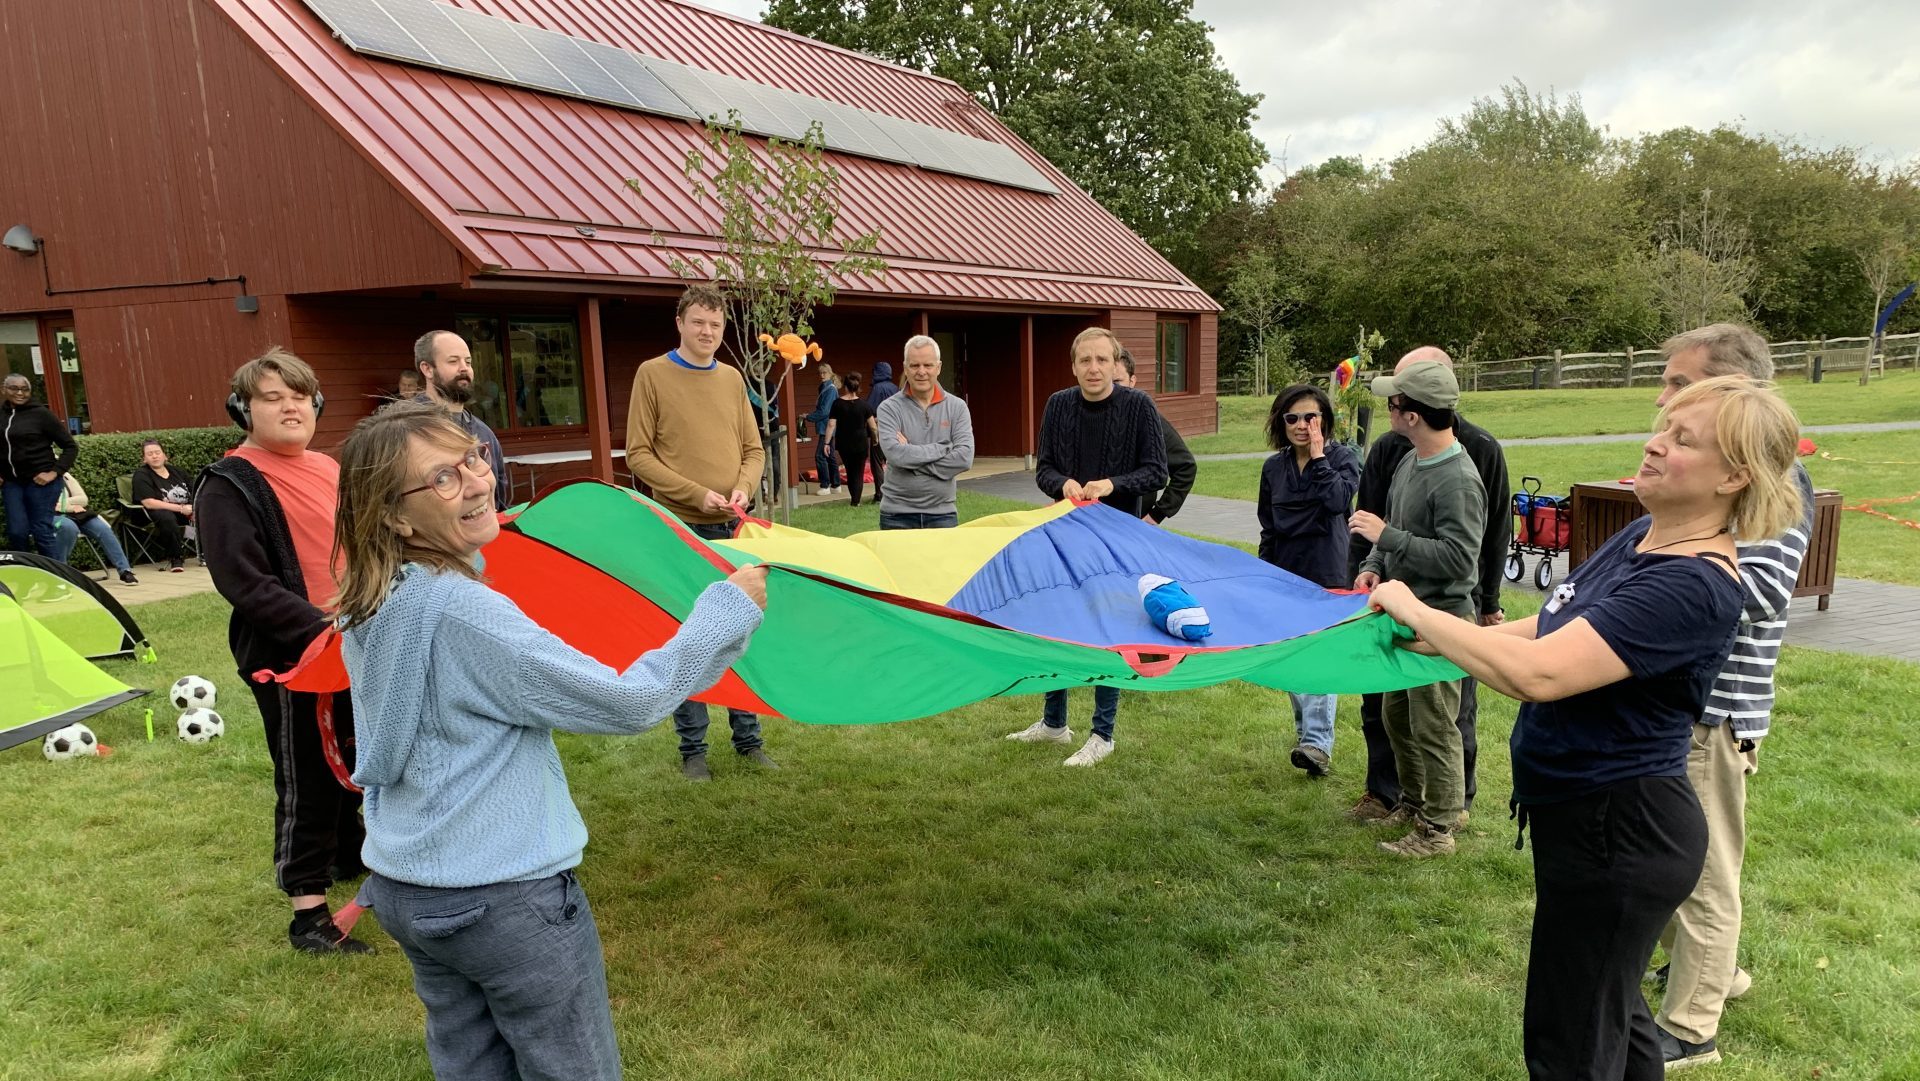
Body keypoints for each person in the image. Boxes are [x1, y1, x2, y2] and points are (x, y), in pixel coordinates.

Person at [1365, 375, 1801, 1081]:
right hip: (1592, 822)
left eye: (1683, 439)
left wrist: (1420, 608)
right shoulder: (1644, 535)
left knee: (1570, 1043)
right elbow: (1551, 626)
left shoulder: (1694, 584)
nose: (1656, 443)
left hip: (1622, 833)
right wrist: (1436, 639)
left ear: (1735, 475)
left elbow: (1540, 672)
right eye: (1663, 425)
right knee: (1613, 1017)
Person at [331, 404, 766, 1081]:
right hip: (502, 899)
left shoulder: (371, 598)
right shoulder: (462, 611)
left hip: (409, 887)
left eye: (475, 457)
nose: (478, 481)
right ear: (394, 516)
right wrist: (723, 611)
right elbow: (628, 700)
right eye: (443, 477)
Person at [1649, 324, 1817, 1069]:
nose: (1662, 399)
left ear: (1736, 393)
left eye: (1679, 385)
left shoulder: (1774, 483)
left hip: (1712, 715)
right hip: (1681, 706)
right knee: (1673, 856)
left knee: (1704, 870)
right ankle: (1717, 972)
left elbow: (1760, 589)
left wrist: (1663, 580)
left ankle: (1691, 1026)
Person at [198, 347, 372, 954]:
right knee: (308, 774)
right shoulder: (229, 483)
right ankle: (308, 913)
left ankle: (352, 856)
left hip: (357, 639)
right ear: (244, 409)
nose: (290, 406)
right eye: (273, 397)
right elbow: (243, 582)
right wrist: (317, 633)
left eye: (300, 395)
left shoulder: (328, 467)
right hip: (293, 654)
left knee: (359, 755)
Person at [1346, 347, 1510, 823]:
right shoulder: (1410, 461)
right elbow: (1393, 525)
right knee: (1399, 719)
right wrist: (1376, 561)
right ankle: (1412, 806)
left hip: (1438, 622)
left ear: (1412, 415)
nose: (1388, 409)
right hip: (1403, 616)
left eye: (1393, 404)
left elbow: (1461, 562)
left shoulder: (1458, 479)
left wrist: (1386, 537)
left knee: (1436, 726)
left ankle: (1440, 825)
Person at [624, 284, 774, 782]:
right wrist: (694, 493)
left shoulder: (732, 379)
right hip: (678, 526)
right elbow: (639, 454)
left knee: (739, 631)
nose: (707, 332)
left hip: (733, 526)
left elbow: (754, 449)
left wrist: (742, 487)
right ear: (680, 323)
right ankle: (693, 749)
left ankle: (748, 739)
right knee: (689, 635)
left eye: (715, 325)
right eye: (698, 323)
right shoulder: (652, 374)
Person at [1008, 327, 1168, 767]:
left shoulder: (1138, 406)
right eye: (1085, 361)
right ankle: (1055, 723)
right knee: (1056, 622)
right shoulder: (1058, 405)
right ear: (1073, 365)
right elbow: (1044, 470)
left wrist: (1111, 484)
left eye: (1102, 360)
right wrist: (1064, 483)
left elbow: (1157, 471)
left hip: (1118, 539)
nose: (1093, 368)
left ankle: (1103, 733)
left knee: (1109, 629)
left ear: (1115, 364)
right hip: (1066, 536)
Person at [1256, 383, 1361, 777]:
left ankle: (1317, 743)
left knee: (1319, 655)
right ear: (1281, 422)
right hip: (1284, 572)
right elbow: (1268, 525)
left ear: (1325, 421)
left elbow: (1337, 502)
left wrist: (1319, 458)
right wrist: (1263, 572)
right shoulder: (1273, 468)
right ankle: (1308, 739)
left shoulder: (1343, 458)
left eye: (1311, 417)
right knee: (1293, 656)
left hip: (1328, 572)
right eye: (1293, 418)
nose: (1302, 425)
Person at [874, 336, 975, 529]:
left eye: (928, 365)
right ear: (905, 368)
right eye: (914, 365)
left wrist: (911, 454)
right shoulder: (888, 408)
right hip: (897, 515)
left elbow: (964, 458)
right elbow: (895, 455)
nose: (921, 372)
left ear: (938, 367)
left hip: (942, 514)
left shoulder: (957, 407)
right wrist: (944, 448)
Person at [413, 330, 508, 512]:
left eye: (468, 362)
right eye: (453, 361)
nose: (464, 368)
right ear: (427, 369)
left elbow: (498, 504)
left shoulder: (484, 433)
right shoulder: (406, 429)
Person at [1114, 346, 1196, 524]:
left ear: (1132, 381)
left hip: (1132, 528)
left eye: (1117, 381)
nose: (1112, 389)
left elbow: (1186, 467)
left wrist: (1156, 515)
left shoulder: (1149, 420)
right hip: (1090, 526)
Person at [2, 373, 77, 556]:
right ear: (4, 390)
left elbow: (70, 446)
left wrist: (54, 473)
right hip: (13, 483)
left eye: (25, 389)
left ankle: (56, 576)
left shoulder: (41, 414)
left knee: (41, 530)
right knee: (16, 532)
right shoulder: (1, 415)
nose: (20, 393)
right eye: (14, 388)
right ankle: (25, 573)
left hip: (41, 482)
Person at [51, 473, 138, 583]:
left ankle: (125, 571)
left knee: (103, 529)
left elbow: (83, 499)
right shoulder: (35, 477)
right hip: (51, 515)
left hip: (78, 513)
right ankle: (60, 571)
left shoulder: (65, 476)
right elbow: (42, 503)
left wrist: (65, 504)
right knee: (69, 527)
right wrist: (70, 507)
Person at [131, 439, 196, 571]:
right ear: (144, 459)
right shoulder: (141, 475)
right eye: (150, 454)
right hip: (156, 513)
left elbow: (195, 490)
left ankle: (208, 553)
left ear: (165, 456)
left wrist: (195, 508)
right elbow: (149, 502)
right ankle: (176, 558)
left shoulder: (178, 472)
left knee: (209, 512)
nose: (154, 456)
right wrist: (181, 508)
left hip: (185, 511)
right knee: (167, 517)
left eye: (157, 452)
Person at [826, 370, 878, 506]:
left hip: (844, 443)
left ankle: (854, 499)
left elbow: (831, 424)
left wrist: (826, 443)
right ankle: (856, 501)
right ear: (857, 387)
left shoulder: (837, 404)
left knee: (850, 471)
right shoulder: (865, 405)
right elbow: (873, 426)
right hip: (860, 442)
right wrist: (876, 439)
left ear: (845, 386)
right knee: (859, 472)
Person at [805, 362, 841, 496]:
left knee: (820, 455)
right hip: (826, 426)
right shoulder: (825, 387)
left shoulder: (830, 389)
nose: (822, 375)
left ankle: (825, 485)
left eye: (824, 372)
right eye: (820, 373)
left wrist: (809, 417)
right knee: (829, 455)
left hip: (827, 427)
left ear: (830, 373)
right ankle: (836, 484)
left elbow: (825, 411)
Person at [866, 360, 900, 496]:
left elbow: (869, 409)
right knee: (893, 462)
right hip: (896, 430)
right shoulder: (895, 388)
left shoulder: (877, 388)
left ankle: (880, 494)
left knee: (876, 462)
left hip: (880, 430)